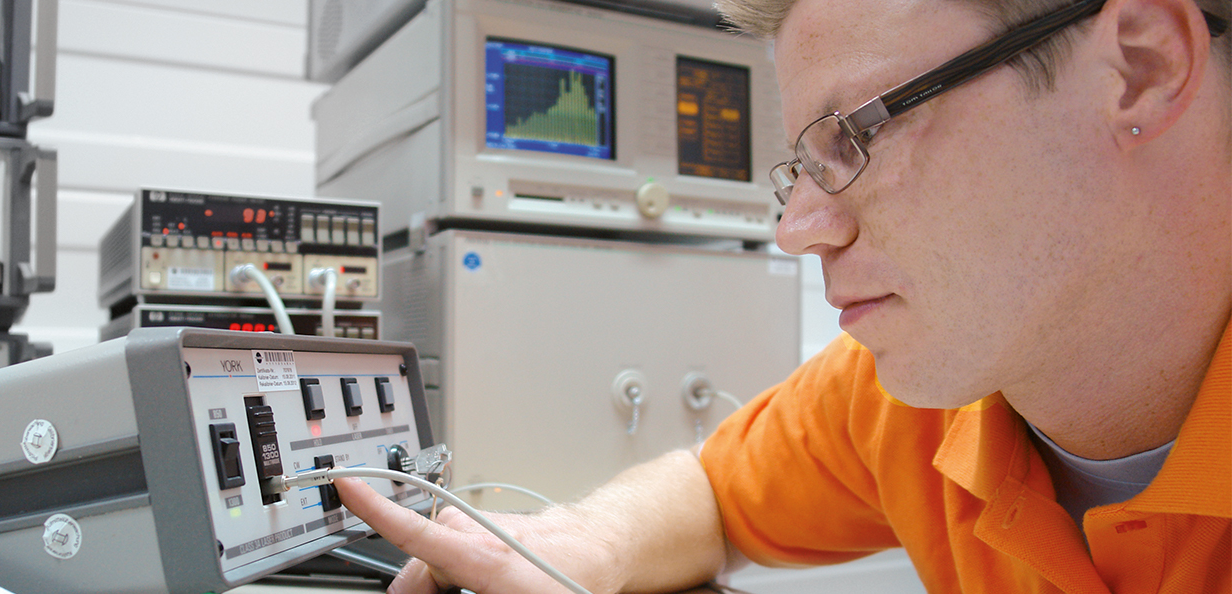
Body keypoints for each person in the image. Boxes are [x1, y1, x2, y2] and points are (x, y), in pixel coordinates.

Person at [333, 0, 1232, 590]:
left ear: (1141, 69)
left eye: (857, 134)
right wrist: (583, 546)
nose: (797, 227)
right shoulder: (912, 399)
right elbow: (714, 491)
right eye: (800, 168)